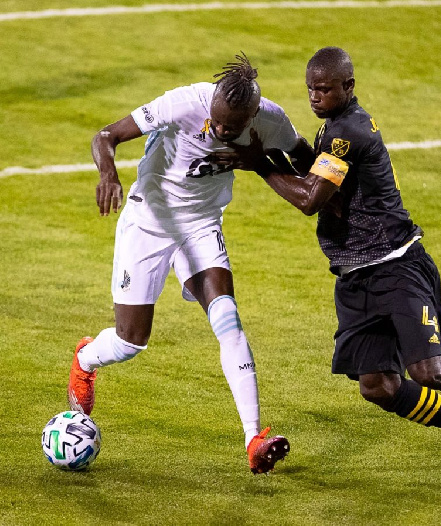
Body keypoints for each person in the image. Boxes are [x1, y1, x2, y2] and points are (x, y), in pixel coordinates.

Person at [210, 47, 441, 469]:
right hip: (355, 276)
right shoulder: (333, 131)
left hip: (395, 264)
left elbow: (311, 200)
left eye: (324, 89)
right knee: (378, 386)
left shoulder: (349, 132)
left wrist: (261, 164)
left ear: (349, 86)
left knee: (429, 372)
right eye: (310, 89)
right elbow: (330, 192)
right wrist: (283, 154)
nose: (315, 97)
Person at [68, 53, 314, 474]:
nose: (218, 131)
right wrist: (108, 172)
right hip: (148, 221)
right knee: (130, 342)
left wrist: (330, 183)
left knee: (228, 317)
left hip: (200, 226)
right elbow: (104, 136)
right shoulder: (182, 103)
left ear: (253, 114)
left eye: (229, 129)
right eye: (215, 122)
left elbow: (304, 158)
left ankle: (254, 438)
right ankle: (86, 360)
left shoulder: (271, 120)